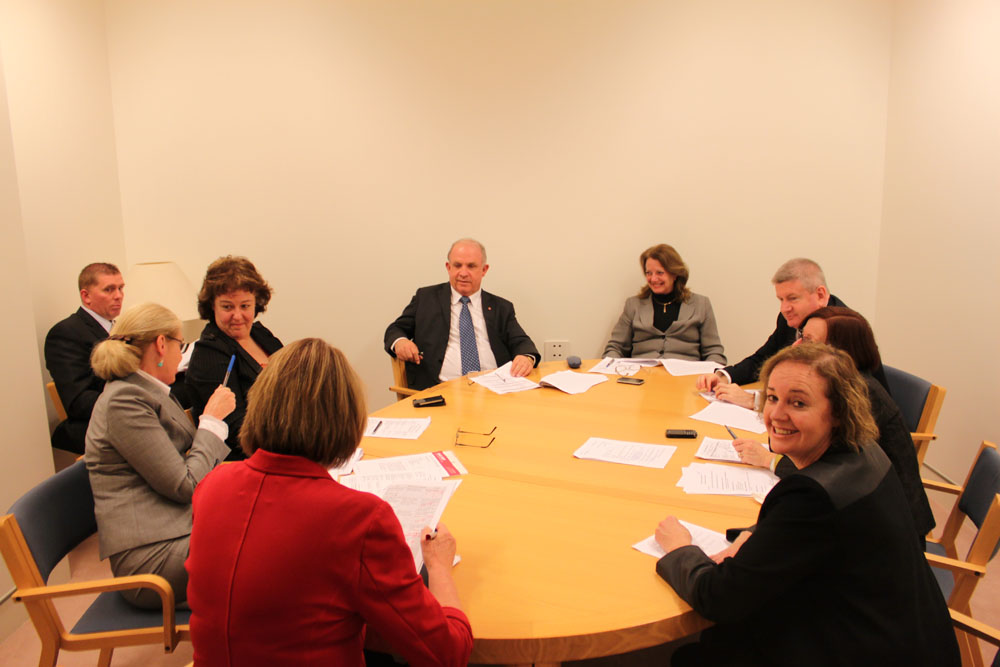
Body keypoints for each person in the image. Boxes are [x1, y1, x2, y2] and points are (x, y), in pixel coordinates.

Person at [654, 344, 959, 666]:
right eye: (772, 397)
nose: (776, 415)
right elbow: (824, 525)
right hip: (909, 634)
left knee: (699, 652)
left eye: (798, 403)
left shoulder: (810, 496)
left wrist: (680, 549)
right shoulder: (865, 449)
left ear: (839, 413)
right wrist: (754, 535)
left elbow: (717, 598)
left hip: (864, 649)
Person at [186, 339, 474, 665]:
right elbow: (448, 653)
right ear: (346, 419)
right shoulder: (360, 518)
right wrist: (438, 567)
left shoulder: (213, 485)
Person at [732, 307, 935, 540]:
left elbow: (834, 475)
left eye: (808, 341)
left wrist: (769, 461)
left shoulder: (856, 398)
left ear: (837, 354)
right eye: (800, 336)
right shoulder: (849, 385)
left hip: (883, 532)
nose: (795, 347)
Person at [85, 303, 234, 609]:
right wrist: (212, 421)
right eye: (182, 345)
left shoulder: (145, 392)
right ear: (162, 344)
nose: (182, 356)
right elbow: (185, 485)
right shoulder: (124, 401)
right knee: (269, 551)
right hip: (150, 559)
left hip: (174, 530)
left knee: (273, 534)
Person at [384, 238, 540, 391]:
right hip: (439, 391)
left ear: (484, 270)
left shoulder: (501, 307)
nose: (463, 273)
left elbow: (521, 341)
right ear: (448, 267)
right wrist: (401, 342)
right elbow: (395, 329)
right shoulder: (426, 298)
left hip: (493, 392)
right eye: (457, 265)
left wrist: (525, 357)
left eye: (471, 266)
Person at [695, 257, 847, 408]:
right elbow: (764, 358)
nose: (784, 308)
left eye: (792, 298)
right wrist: (724, 377)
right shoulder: (790, 318)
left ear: (820, 295)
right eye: (781, 299)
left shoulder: (843, 327)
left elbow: (830, 395)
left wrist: (753, 400)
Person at [186, 256, 282, 459]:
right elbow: (237, 433)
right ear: (212, 306)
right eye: (228, 307)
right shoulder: (209, 353)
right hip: (247, 461)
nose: (238, 316)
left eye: (245, 306)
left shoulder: (260, 334)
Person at [44, 263, 125, 453]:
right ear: (86, 296)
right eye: (109, 289)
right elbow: (78, 400)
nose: (118, 296)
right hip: (95, 425)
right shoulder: (65, 333)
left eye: (121, 288)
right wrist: (133, 403)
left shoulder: (121, 329)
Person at [603, 244, 726, 363]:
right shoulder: (633, 305)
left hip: (686, 380)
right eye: (648, 273)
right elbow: (615, 348)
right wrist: (611, 367)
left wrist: (711, 375)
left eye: (660, 273)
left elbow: (714, 352)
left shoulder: (701, 304)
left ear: (675, 273)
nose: (653, 279)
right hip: (642, 378)